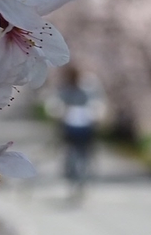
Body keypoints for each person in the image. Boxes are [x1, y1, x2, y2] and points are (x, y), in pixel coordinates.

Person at [45, 65, 106, 197]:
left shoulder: (89, 85)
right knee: (72, 154)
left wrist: (96, 114)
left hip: (85, 126)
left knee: (83, 154)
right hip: (71, 126)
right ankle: (74, 177)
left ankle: (81, 179)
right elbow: (55, 104)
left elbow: (97, 103)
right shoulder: (65, 88)